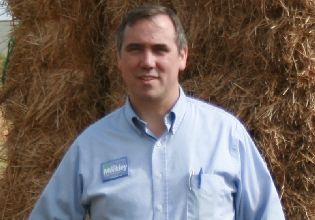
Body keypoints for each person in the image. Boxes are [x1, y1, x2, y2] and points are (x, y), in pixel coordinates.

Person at [29, 4, 285, 220]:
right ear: (118, 58)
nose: (148, 62)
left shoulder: (226, 136)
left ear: (182, 56)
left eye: (160, 49)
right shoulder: (91, 146)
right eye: (135, 49)